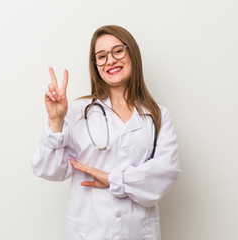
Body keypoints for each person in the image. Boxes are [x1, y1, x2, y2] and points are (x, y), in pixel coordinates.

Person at [31, 25, 181, 240]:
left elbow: (166, 172)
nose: (110, 60)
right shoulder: (77, 111)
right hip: (90, 231)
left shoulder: (157, 115)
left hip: (137, 232)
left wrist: (113, 179)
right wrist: (55, 121)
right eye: (101, 56)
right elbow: (50, 170)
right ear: (95, 65)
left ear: (132, 54)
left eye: (117, 51)